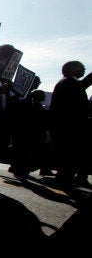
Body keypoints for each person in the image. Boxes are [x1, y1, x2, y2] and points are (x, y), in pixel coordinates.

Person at [49, 61, 92, 190]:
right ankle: (65, 181)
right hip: (69, 128)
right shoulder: (69, 83)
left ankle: (65, 179)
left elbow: (83, 85)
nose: (84, 69)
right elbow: (71, 107)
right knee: (69, 155)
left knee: (68, 156)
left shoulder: (69, 82)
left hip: (66, 127)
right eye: (81, 67)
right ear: (72, 69)